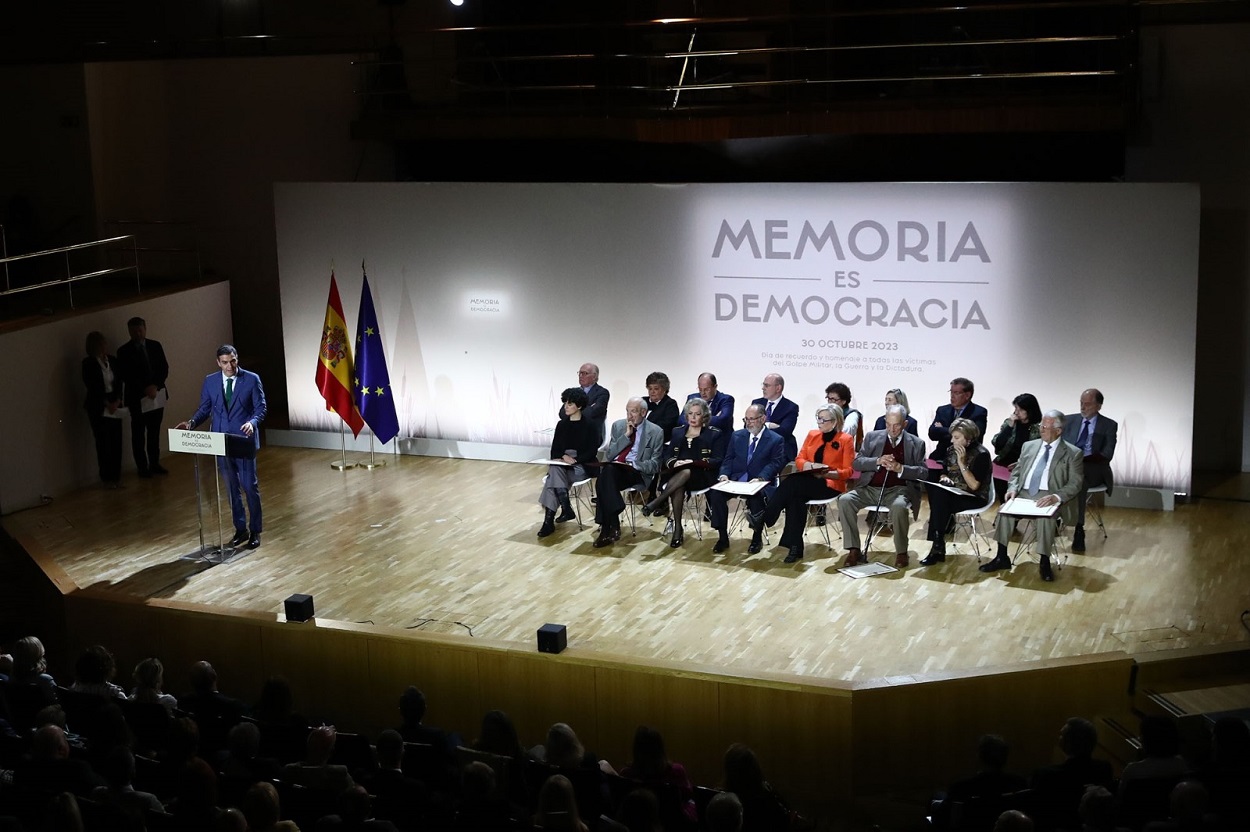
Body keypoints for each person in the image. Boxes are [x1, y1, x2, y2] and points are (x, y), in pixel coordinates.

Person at [177, 345, 267, 549]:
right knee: (231, 489)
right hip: (220, 443)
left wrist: (252, 423)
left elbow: (261, 407)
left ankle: (255, 531)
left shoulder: (252, 379)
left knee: (249, 487)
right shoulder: (210, 381)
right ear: (218, 363)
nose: (230, 366)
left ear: (237, 359)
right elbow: (205, 408)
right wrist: (191, 423)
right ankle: (240, 529)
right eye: (225, 362)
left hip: (243, 440)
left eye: (233, 361)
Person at [982, 410, 1083, 581]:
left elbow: (1075, 483)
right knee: (1005, 511)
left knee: (1045, 517)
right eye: (1041, 425)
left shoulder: (1073, 453)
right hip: (1024, 492)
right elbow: (1017, 472)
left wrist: (1056, 497)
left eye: (1045, 427)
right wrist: (1012, 489)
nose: (1041, 429)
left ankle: (1044, 561)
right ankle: (1001, 557)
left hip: (1050, 494)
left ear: (1058, 431)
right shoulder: (1029, 446)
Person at [761, 404, 855, 563]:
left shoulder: (846, 440)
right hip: (807, 481)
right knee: (795, 498)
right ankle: (795, 548)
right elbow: (799, 459)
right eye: (818, 418)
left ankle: (765, 517)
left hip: (829, 484)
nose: (819, 422)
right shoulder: (812, 435)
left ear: (835, 421)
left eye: (824, 419)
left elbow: (848, 471)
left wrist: (827, 472)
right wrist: (810, 466)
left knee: (793, 483)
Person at [838, 404, 926, 569]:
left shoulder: (916, 443)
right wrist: (877, 461)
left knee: (900, 507)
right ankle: (853, 549)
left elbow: (923, 472)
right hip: (869, 488)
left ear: (905, 424)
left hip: (898, 490)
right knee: (845, 500)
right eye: (888, 424)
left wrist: (901, 469)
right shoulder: (872, 437)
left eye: (897, 425)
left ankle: (901, 552)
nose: (892, 429)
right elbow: (857, 463)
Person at [641, 397, 725, 548]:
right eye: (690, 413)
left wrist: (692, 463)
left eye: (697, 414)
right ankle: (677, 528)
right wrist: (675, 462)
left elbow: (717, 460)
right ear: (686, 415)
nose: (693, 417)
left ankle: (658, 502)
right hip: (677, 476)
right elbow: (667, 456)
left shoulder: (714, 434)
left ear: (704, 416)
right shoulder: (678, 432)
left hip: (702, 476)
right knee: (680, 482)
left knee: (686, 472)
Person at [707, 404, 785, 555]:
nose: (748, 423)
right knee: (716, 494)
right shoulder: (737, 436)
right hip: (736, 480)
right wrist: (724, 475)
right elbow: (728, 459)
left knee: (756, 498)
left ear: (763, 419)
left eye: (752, 419)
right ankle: (722, 536)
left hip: (759, 482)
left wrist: (761, 478)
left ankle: (756, 538)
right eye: (746, 419)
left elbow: (775, 463)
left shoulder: (776, 440)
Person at [593, 398, 664, 548]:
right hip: (616, 470)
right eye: (627, 411)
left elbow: (655, 465)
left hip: (637, 472)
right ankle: (611, 522)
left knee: (603, 478)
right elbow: (610, 455)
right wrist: (626, 436)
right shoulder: (618, 426)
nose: (629, 416)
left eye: (633, 411)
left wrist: (634, 464)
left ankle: (608, 528)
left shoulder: (656, 431)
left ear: (643, 412)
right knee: (607, 472)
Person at [921, 418, 992, 565]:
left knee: (940, 500)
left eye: (957, 437)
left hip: (975, 496)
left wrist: (962, 463)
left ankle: (937, 547)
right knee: (937, 492)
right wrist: (944, 478)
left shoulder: (982, 454)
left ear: (969, 438)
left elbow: (974, 486)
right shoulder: (951, 450)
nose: (952, 441)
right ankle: (938, 545)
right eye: (952, 437)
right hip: (954, 492)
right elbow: (944, 470)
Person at [538, 388, 601, 538]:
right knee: (555, 468)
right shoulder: (561, 425)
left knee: (552, 479)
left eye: (570, 403)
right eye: (565, 403)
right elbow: (555, 451)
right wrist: (564, 457)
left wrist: (574, 460)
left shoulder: (591, 425)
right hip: (563, 463)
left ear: (579, 406)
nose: (566, 406)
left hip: (582, 465)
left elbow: (592, 451)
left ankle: (550, 521)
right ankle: (564, 508)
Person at [1062, 388, 1118, 552]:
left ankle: (1079, 528)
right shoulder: (1068, 420)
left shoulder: (1109, 425)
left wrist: (1084, 459)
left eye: (1087, 404)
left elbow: (1107, 454)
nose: (1083, 407)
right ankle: (1052, 520)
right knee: (1060, 476)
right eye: (1081, 403)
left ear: (1099, 406)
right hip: (1069, 467)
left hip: (1094, 469)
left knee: (1080, 481)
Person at [116, 316, 170, 478]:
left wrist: (155, 385)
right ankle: (142, 467)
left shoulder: (155, 345)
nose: (138, 334)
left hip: (156, 395)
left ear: (145, 329)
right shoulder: (123, 351)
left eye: (140, 330)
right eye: (134, 331)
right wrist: (145, 388)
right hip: (137, 398)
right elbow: (125, 375)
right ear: (129, 332)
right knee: (138, 433)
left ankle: (154, 463)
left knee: (154, 432)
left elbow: (163, 368)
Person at [81, 331, 124, 489]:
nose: (105, 346)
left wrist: (117, 400)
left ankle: (117, 477)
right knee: (103, 443)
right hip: (98, 406)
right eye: (102, 344)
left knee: (116, 441)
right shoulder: (88, 363)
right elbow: (92, 386)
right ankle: (106, 478)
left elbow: (119, 381)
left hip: (114, 402)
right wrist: (106, 403)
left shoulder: (112, 360)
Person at [991, 393, 1043, 503]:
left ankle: (1012, 517)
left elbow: (1038, 453)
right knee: (1002, 494)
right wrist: (1008, 428)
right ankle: (1004, 516)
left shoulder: (1038, 429)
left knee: (1016, 495)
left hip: (1021, 467)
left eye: (1020, 409)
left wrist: (1020, 463)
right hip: (1003, 463)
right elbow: (997, 444)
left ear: (1029, 410)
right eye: (1015, 408)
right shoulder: (1010, 423)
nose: (1016, 412)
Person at [928, 377, 989, 461]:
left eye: (956, 393)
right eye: (951, 392)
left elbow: (974, 437)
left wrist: (943, 429)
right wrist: (960, 433)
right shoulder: (942, 410)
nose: (952, 396)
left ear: (967, 395)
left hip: (966, 458)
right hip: (941, 456)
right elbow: (932, 433)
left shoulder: (979, 412)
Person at [751, 374, 800, 463]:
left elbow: (784, 431)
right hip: (757, 447)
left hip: (780, 448)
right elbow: (748, 425)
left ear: (778, 388)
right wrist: (768, 425)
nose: (763, 388)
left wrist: (759, 426)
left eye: (767, 385)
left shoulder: (791, 407)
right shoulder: (757, 403)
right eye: (763, 384)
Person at [559, 362, 610, 444]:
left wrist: (573, 411)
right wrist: (588, 407)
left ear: (594, 376)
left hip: (590, 434)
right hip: (570, 432)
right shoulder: (573, 392)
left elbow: (592, 413)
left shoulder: (602, 393)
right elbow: (562, 414)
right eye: (580, 373)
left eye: (585, 373)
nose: (581, 376)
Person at [643, 371, 679, 442]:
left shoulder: (670, 404)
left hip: (658, 443)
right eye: (650, 388)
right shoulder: (642, 401)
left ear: (664, 390)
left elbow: (665, 428)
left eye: (656, 389)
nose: (652, 392)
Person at [825, 382, 863, 449]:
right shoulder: (824, 412)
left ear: (844, 401)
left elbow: (846, 431)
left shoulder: (852, 415)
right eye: (829, 398)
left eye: (834, 400)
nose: (830, 402)